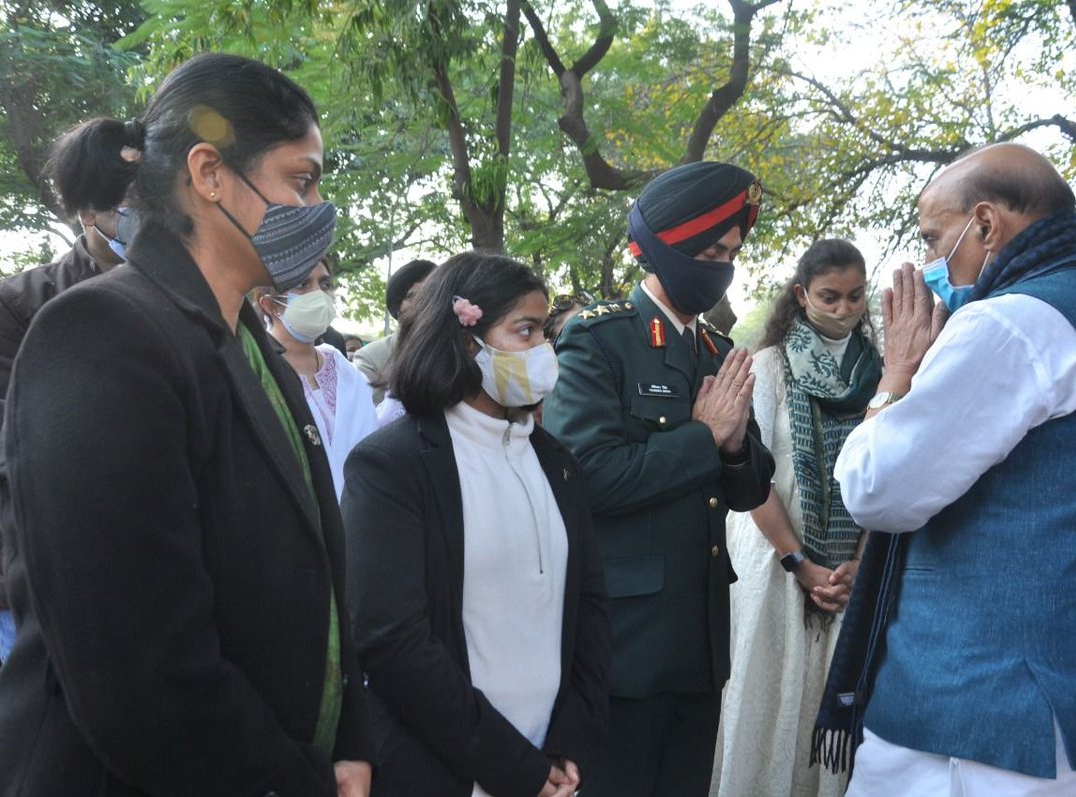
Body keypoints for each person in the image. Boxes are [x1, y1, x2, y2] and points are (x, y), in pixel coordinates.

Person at [0, 53, 373, 795]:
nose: (317, 209)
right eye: (301, 179)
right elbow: (141, 672)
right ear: (210, 172)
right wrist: (302, 780)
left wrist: (343, 742)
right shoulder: (99, 334)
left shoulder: (246, 340)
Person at [816, 143, 1076, 795]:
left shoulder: (1011, 324)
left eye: (932, 237)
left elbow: (878, 488)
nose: (926, 264)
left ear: (984, 225)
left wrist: (895, 377)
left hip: (988, 728)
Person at [542, 161, 775, 796]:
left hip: (698, 644)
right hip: (625, 649)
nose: (721, 266)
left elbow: (750, 490)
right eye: (707, 251)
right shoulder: (600, 341)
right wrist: (702, 436)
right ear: (663, 247)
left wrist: (729, 446)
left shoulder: (718, 352)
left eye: (730, 252)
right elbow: (586, 477)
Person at [342, 252, 610, 797]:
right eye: (526, 331)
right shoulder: (393, 465)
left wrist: (567, 743)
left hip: (554, 768)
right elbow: (392, 639)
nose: (544, 351)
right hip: (450, 771)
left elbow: (590, 606)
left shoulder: (557, 462)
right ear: (468, 341)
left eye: (543, 331)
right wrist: (513, 769)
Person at [711, 239, 879, 797]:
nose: (843, 309)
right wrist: (800, 563)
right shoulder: (767, 367)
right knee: (767, 698)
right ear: (801, 295)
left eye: (855, 296)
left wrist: (856, 562)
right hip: (775, 559)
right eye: (829, 297)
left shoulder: (881, 375)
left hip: (854, 572)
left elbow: (890, 475)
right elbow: (747, 474)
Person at [0, 122, 135, 664]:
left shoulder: (189, 306)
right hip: (37, 584)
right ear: (88, 211)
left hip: (150, 579)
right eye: (131, 204)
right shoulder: (15, 307)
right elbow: (2, 452)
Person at [255, 260, 379, 500]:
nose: (319, 295)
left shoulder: (348, 375)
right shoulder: (259, 373)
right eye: (303, 285)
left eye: (324, 284)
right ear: (270, 305)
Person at [354, 257, 436, 404]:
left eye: (433, 294)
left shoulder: (459, 347)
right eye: (414, 296)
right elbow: (369, 414)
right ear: (397, 306)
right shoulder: (370, 358)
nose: (426, 303)